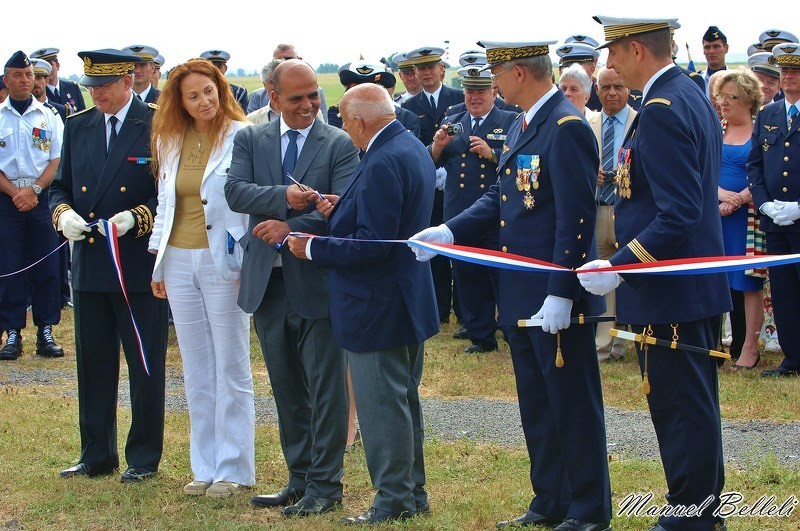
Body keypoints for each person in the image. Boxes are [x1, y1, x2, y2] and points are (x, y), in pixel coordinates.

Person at [411, 39, 611, 531]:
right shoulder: (526, 123)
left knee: (572, 405)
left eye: (495, 74)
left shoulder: (564, 127)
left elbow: (576, 219)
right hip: (520, 290)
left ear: (519, 73)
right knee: (537, 404)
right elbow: (504, 200)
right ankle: (550, 500)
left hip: (552, 292)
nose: (490, 85)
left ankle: (588, 510)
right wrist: (451, 230)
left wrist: (563, 290)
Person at [579, 17, 731, 531]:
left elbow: (680, 211)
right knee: (693, 401)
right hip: (689, 284)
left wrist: (619, 266)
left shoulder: (663, 109)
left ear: (637, 50)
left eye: (614, 53)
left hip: (673, 288)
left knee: (681, 405)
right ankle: (701, 507)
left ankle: (692, 513)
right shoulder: (685, 96)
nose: (608, 65)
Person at [286, 82, 439, 524]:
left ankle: (392, 499)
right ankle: (411, 493)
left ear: (357, 120)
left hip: (377, 304)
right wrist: (343, 210)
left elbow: (374, 245)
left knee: (381, 406)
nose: (343, 129)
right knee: (402, 399)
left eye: (343, 120)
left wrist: (313, 247)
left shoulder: (383, 160)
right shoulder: (407, 146)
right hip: (404, 298)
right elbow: (384, 220)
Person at [225, 59, 358, 516]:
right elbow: (236, 192)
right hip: (268, 282)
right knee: (285, 386)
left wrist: (289, 227)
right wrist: (283, 196)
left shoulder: (338, 142)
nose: (307, 105)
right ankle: (299, 478)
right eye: (296, 98)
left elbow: (339, 210)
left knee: (326, 389)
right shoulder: (250, 137)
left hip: (317, 282)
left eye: (313, 97)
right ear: (273, 97)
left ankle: (326, 484)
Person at [49, 48, 169, 482]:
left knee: (144, 363)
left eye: (103, 87)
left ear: (127, 81)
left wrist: (135, 218)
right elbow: (59, 187)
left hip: (136, 263)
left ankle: (142, 457)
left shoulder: (156, 123)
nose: (95, 95)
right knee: (94, 363)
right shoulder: (76, 126)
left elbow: (168, 195)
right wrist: (62, 215)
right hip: (90, 264)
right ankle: (96, 453)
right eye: (90, 88)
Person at [148, 58, 255, 497]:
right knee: (195, 368)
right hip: (177, 259)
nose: (203, 101)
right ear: (180, 102)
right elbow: (164, 203)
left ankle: (234, 468)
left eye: (208, 91)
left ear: (220, 89)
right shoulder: (169, 139)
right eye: (193, 96)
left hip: (223, 260)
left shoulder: (242, 135)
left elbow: (250, 201)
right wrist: (157, 258)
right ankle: (204, 466)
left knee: (231, 364)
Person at [429, 65, 516, 353]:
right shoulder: (453, 121)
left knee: (502, 276)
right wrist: (437, 146)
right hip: (460, 212)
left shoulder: (510, 119)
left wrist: (493, 154)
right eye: (469, 92)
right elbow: (433, 165)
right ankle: (481, 335)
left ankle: (511, 328)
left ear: (493, 91)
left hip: (495, 213)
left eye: (480, 91)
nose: (474, 98)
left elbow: (521, 163)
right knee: (467, 275)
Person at [0, 51, 64, 361]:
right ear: (6, 80)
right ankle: (12, 332)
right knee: (10, 266)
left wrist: (35, 189)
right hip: (8, 198)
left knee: (46, 266)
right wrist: (16, 192)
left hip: (41, 198)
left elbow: (56, 159)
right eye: (18, 75)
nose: (26, 81)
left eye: (29, 75)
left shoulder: (49, 115)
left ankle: (46, 330)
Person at [746, 42, 800, 378]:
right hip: (776, 220)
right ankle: (793, 358)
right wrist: (764, 202)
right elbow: (755, 164)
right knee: (783, 292)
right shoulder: (768, 114)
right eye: (786, 72)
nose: (790, 78)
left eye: (795, 72)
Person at [402, 46, 464, 325]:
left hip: (460, 184)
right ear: (414, 73)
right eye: (420, 69)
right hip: (427, 187)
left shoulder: (460, 99)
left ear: (442, 70)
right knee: (433, 245)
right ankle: (438, 309)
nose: (426, 73)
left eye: (431, 67)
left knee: (462, 246)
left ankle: (464, 310)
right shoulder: (408, 108)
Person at [713, 69, 765, 370]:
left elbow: (764, 172)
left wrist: (741, 198)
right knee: (716, 278)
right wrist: (722, 196)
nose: (724, 103)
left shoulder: (760, 132)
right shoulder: (716, 131)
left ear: (747, 100)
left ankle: (748, 348)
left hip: (747, 217)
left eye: (731, 97)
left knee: (748, 282)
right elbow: (703, 171)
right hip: (717, 216)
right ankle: (715, 344)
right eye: (722, 97)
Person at [587, 66, 637, 362]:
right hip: (597, 208)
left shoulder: (639, 120)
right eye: (605, 88)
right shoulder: (588, 122)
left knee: (628, 275)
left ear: (627, 89)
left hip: (627, 209)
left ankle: (625, 340)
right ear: (596, 90)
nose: (612, 93)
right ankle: (604, 346)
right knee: (602, 277)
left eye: (618, 86)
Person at [328, 60, 420, 136]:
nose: (363, 94)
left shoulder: (407, 119)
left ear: (382, 90)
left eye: (370, 88)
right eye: (358, 88)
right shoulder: (337, 115)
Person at [272, 44, 328, 121]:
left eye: (288, 58)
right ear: (275, 98)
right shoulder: (259, 95)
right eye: (296, 99)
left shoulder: (317, 91)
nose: (307, 105)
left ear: (300, 59)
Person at [29, 48, 86, 113]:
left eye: (50, 64)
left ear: (58, 66)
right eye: (44, 67)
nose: (48, 70)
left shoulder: (72, 87)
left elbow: (83, 115)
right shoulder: (38, 92)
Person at [557, 40, 602, 111]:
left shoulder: (602, 96)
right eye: (568, 65)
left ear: (592, 68)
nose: (573, 69)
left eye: (578, 64)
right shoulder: (556, 95)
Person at [701, 26, 728, 92]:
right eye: (707, 47)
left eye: (716, 46)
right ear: (703, 50)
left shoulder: (737, 81)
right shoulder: (697, 82)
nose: (711, 51)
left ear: (726, 48)